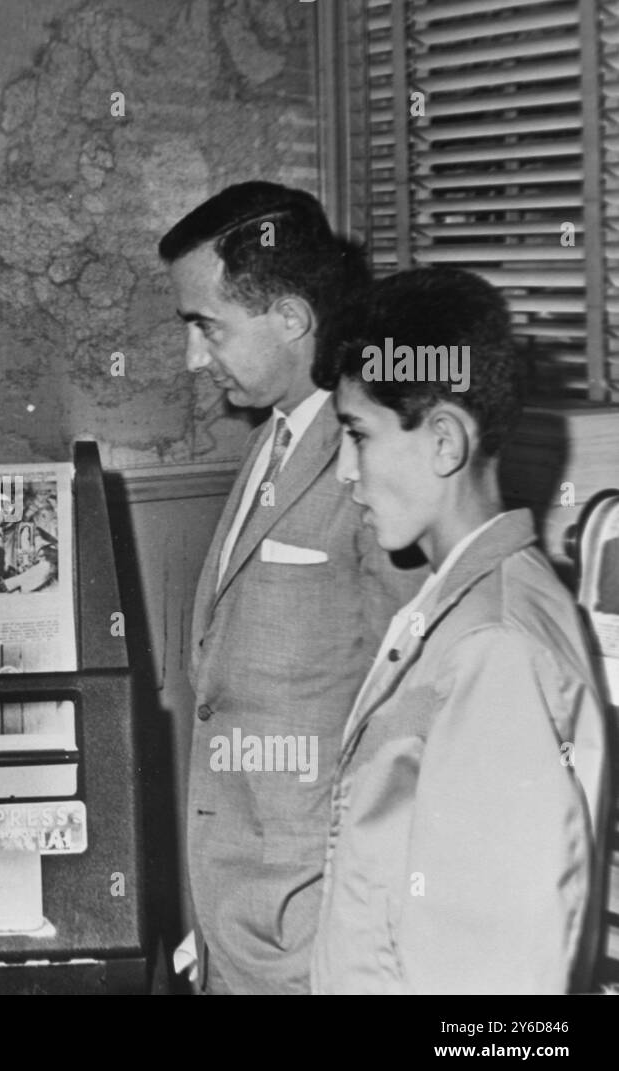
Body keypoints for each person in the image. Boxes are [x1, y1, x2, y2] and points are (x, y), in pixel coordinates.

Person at [309, 267, 608, 993]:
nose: (346, 471)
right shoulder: (458, 603)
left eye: (358, 434)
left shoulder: (494, 647)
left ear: (444, 441)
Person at [159, 181, 426, 994]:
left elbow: (412, 729)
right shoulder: (274, 439)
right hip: (234, 925)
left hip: (316, 942)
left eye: (208, 327)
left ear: (291, 318)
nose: (193, 357)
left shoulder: (374, 469)